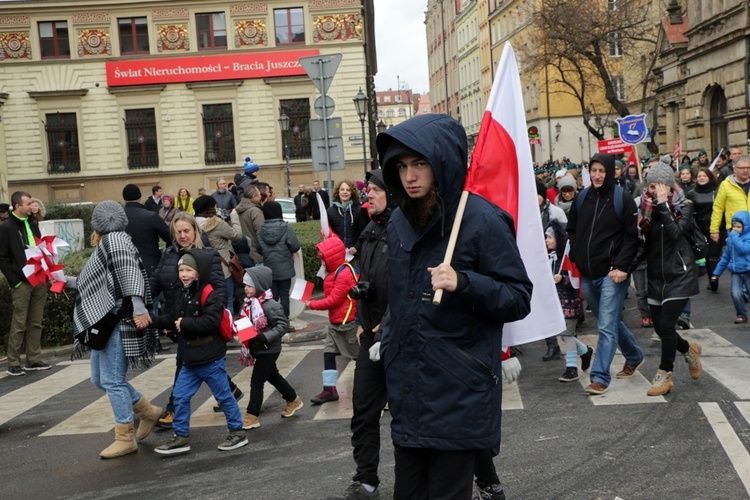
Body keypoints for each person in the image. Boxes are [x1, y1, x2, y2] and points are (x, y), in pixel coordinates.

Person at [377, 114, 533, 498]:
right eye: (401, 167)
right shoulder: (398, 222)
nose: (409, 176)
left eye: (419, 164)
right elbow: (402, 298)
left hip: (457, 392)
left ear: (442, 162)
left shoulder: (482, 220)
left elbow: (517, 296)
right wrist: (388, 337)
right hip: (409, 391)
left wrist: (464, 281)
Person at [69, 201, 163, 458]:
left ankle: (125, 437)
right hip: (108, 321)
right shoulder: (114, 240)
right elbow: (97, 281)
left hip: (120, 320)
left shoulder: (114, 241)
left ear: (97, 224)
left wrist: (139, 307)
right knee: (101, 379)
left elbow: (128, 273)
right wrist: (64, 281)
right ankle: (148, 411)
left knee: (112, 380)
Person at [328, 169, 396, 500]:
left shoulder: (406, 230)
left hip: (399, 339)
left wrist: (391, 319)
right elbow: (366, 280)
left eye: (374, 190)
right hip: (369, 336)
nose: (367, 195)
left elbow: (413, 284)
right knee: (364, 410)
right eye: (366, 190)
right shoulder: (369, 228)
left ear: (391, 194)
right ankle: (366, 480)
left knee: (408, 416)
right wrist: (360, 320)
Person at [150, 250, 248, 455]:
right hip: (191, 357)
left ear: (199, 272)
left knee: (223, 396)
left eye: (188, 270)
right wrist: (149, 321)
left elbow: (212, 321)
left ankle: (237, 432)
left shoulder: (208, 293)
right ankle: (181, 437)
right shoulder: (182, 292)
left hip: (210, 356)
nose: (184, 274)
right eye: (181, 270)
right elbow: (171, 318)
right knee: (180, 396)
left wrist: (185, 323)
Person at [150, 212, 242, 427]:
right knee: (203, 364)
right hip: (175, 317)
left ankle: (174, 410)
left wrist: (210, 316)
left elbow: (219, 289)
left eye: (186, 231)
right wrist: (139, 298)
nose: (183, 236)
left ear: (195, 231)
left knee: (183, 362)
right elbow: (155, 281)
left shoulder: (208, 254)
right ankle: (231, 390)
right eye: (178, 232)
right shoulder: (169, 254)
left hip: (197, 321)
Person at [567, 152, 644, 395]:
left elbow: (634, 238)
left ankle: (600, 377)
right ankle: (634, 355)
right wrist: (578, 256)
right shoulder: (581, 198)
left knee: (606, 327)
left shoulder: (623, 199)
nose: (597, 175)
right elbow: (572, 231)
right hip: (588, 274)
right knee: (608, 322)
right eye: (594, 170)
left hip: (613, 274)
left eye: (602, 171)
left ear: (610, 172)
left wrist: (622, 267)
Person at [637, 159, 702, 396]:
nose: (654, 191)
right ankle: (688, 350)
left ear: (669, 186)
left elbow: (675, 233)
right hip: (656, 276)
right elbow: (642, 245)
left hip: (680, 274)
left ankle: (665, 375)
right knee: (661, 328)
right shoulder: (646, 209)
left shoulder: (685, 206)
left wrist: (663, 205)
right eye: (651, 186)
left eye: (659, 186)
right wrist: (625, 267)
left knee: (665, 325)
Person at [239, 267, 303, 430]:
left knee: (257, 381)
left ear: (259, 285)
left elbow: (283, 325)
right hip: (259, 349)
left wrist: (264, 337)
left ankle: (252, 415)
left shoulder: (270, 305)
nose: (245, 288)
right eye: (245, 285)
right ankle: (293, 399)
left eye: (249, 285)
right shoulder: (249, 303)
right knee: (273, 376)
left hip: (269, 349)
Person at [0, 192, 51, 375]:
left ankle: (33, 359)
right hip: (22, 282)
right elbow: (3, 258)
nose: (32, 205)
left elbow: (40, 246)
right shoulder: (7, 227)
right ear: (17, 206)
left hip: (39, 278)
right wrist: (15, 281)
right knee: (19, 323)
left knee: (36, 322)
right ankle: (13, 362)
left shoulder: (31, 222)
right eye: (28, 203)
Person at [305, 236, 360, 405]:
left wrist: (311, 304)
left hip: (348, 323)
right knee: (328, 353)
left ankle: (371, 388)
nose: (321, 262)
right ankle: (329, 390)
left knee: (359, 357)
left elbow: (334, 300)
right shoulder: (336, 271)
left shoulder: (343, 273)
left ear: (331, 257)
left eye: (323, 258)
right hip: (337, 323)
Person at [546, 224, 592, 383]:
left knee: (567, 334)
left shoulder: (568, 257)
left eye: (550, 237)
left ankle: (571, 368)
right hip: (556, 304)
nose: (547, 240)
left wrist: (563, 279)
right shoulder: (549, 257)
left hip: (570, 304)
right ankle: (585, 351)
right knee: (565, 336)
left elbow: (575, 279)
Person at [193, 195, 242, 315]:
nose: (216, 208)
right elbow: (237, 236)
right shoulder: (217, 223)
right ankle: (227, 330)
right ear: (208, 209)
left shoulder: (191, 224)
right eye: (214, 206)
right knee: (227, 302)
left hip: (200, 269)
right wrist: (234, 217)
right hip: (222, 269)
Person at [256, 200, 301, 327]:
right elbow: (295, 246)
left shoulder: (261, 230)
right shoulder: (286, 227)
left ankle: (274, 321)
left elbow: (259, 249)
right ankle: (285, 321)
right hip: (285, 267)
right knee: (284, 295)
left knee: (272, 297)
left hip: (269, 269)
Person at [122, 183, 172, 277]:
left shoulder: (118, 219)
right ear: (140, 198)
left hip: (125, 269)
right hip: (151, 267)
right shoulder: (151, 216)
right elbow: (170, 237)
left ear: (124, 199)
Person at [712, 211, 750, 323]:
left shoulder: (747, 238)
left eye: (739, 227)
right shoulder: (731, 240)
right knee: (735, 293)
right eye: (734, 226)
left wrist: (733, 236)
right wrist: (716, 274)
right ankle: (741, 314)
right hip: (736, 271)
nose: (735, 229)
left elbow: (743, 249)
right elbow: (725, 258)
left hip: (748, 270)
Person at [689, 168, 722, 290]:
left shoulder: (717, 191)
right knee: (705, 254)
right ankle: (710, 277)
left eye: (704, 176)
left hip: (716, 227)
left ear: (709, 177)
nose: (701, 178)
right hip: (698, 228)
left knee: (713, 254)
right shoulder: (691, 193)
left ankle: (714, 278)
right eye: (699, 176)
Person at [711, 156, 750, 250]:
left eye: (748, 167)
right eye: (742, 168)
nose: (745, 170)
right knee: (737, 258)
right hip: (735, 229)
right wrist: (714, 230)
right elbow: (718, 208)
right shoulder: (726, 185)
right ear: (734, 169)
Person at [328, 180, 363, 256]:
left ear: (352, 193)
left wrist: (356, 247)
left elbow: (363, 233)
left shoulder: (359, 210)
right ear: (338, 192)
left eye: (348, 190)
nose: (345, 192)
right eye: (342, 189)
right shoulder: (330, 211)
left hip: (355, 254)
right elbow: (328, 235)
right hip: (337, 254)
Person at [236, 184, 265, 265]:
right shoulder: (255, 211)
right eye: (259, 195)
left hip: (242, 255)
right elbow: (261, 233)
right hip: (257, 256)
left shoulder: (237, 210)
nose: (260, 197)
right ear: (253, 196)